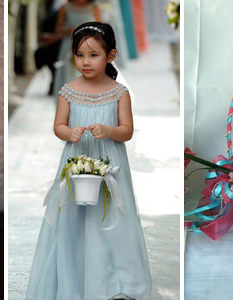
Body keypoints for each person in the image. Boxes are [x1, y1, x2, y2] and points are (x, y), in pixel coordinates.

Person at [25, 22, 152, 300]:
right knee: (73, 216)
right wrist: (68, 132)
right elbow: (58, 125)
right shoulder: (68, 91)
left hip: (109, 163)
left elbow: (127, 131)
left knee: (108, 217)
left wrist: (108, 131)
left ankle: (114, 280)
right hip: (75, 163)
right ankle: (73, 274)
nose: (85, 62)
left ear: (111, 55)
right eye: (79, 54)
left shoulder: (119, 93)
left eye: (93, 55)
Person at [52, 0, 101, 96]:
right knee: (69, 77)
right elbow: (58, 30)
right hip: (69, 48)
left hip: (89, 47)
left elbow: (100, 30)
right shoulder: (65, 7)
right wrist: (69, 31)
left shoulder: (94, 7)